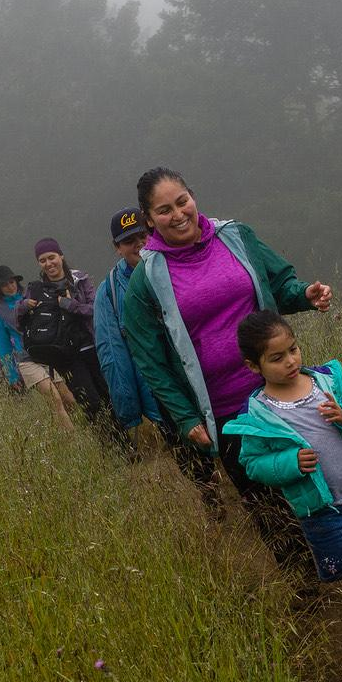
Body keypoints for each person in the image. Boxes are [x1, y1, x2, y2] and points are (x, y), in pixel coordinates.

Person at [121, 166, 333, 547]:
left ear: (193, 196)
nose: (179, 214)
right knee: (266, 504)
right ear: (149, 220)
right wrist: (185, 417)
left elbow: (279, 283)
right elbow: (149, 359)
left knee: (320, 476)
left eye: (182, 201)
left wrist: (305, 295)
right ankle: (308, 592)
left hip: (282, 389)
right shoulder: (146, 280)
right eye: (164, 210)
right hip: (226, 411)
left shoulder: (236, 236)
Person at [222, 310, 342, 682]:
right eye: (276, 357)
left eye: (293, 349)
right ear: (252, 365)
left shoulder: (328, 382)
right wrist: (289, 462)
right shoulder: (258, 413)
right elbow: (252, 464)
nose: (290, 361)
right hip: (321, 511)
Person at [94, 207, 220, 496]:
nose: (138, 244)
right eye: (128, 241)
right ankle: (210, 497)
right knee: (183, 448)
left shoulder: (179, 264)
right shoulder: (109, 293)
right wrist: (129, 409)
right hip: (158, 389)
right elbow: (112, 352)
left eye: (143, 235)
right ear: (117, 248)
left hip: (204, 373)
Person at [23, 237, 125, 443]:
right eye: (42, 260)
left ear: (61, 256)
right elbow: (23, 323)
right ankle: (115, 448)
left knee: (108, 396)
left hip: (92, 347)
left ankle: (126, 443)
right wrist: (23, 307)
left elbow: (96, 309)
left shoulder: (79, 279)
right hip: (65, 355)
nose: (48, 263)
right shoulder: (35, 289)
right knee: (90, 401)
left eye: (51, 257)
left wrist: (70, 305)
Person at [0, 263, 77, 429]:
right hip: (25, 359)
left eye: (11, 282)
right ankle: (72, 439)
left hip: (45, 353)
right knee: (54, 398)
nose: (9, 286)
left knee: (69, 399)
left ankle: (64, 431)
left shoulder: (31, 295)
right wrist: (11, 374)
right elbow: (3, 344)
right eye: (4, 284)